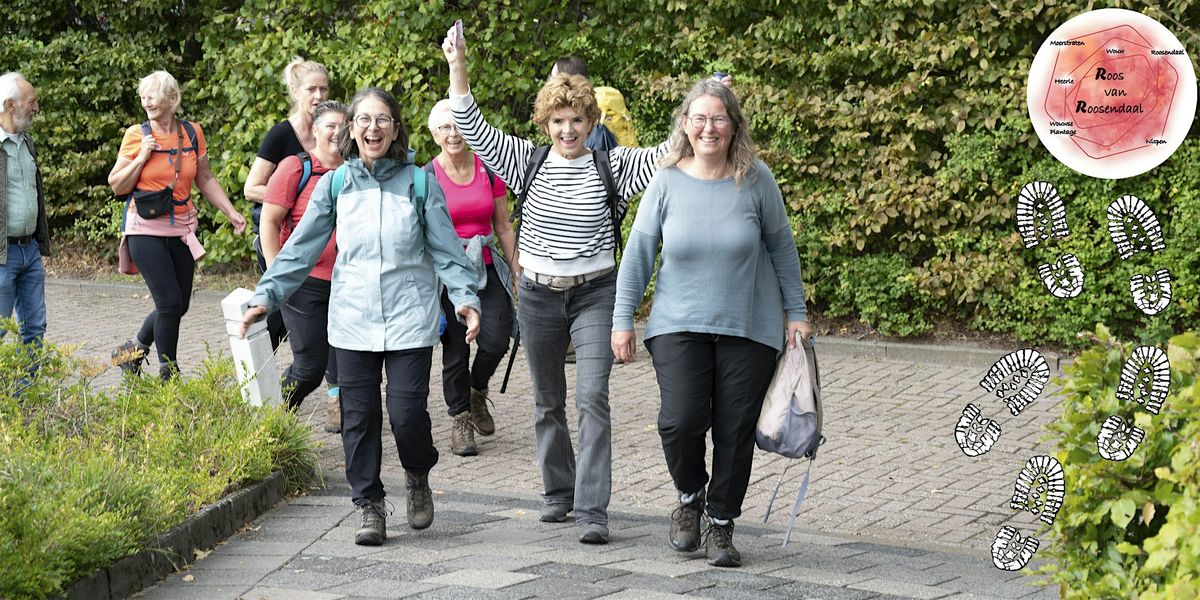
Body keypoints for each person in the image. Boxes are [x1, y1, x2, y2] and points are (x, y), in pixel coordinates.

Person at [442, 27, 670, 545]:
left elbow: (668, 152)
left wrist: (707, 103)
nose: (568, 130)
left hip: (595, 294)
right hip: (539, 295)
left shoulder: (614, 165)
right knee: (547, 400)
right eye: (559, 121)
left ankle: (592, 509)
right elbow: (471, 124)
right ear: (546, 124)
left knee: (592, 398)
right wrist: (458, 66)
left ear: (592, 123)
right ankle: (557, 492)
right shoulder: (527, 160)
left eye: (577, 120)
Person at [239, 87, 481, 547]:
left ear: (395, 129)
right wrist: (267, 295)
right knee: (359, 418)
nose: (373, 127)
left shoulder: (419, 183)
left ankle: (417, 474)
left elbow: (448, 251)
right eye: (364, 119)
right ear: (352, 129)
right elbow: (300, 248)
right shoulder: (336, 184)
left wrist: (465, 297)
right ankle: (369, 504)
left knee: (407, 415)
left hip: (409, 319)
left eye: (382, 119)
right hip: (351, 320)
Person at [610, 79, 812, 568]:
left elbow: (782, 248)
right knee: (679, 421)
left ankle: (721, 523)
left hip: (749, 327)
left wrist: (797, 314)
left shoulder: (756, 179)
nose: (709, 128)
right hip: (677, 323)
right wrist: (622, 319)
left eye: (719, 118)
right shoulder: (665, 181)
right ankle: (689, 497)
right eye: (699, 118)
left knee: (734, 429)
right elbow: (638, 254)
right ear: (684, 124)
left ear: (733, 125)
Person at [108, 70, 248, 380]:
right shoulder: (136, 135)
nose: (146, 102)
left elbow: (205, 177)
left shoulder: (192, 133)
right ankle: (168, 375)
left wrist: (230, 211)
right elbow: (116, 184)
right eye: (143, 97)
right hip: (145, 228)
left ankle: (131, 353)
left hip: (182, 229)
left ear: (172, 99)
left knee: (179, 304)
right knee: (169, 303)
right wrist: (141, 157)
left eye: (153, 96)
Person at [424, 99, 516, 457]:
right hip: (446, 273)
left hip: (486, 265)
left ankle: (477, 390)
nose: (453, 133)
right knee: (456, 349)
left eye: (458, 125)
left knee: (497, 339)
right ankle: (460, 418)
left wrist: (518, 272)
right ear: (435, 135)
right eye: (445, 128)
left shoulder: (488, 170)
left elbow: (503, 226)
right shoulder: (427, 176)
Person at [261, 100, 347, 432]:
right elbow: (269, 222)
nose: (338, 132)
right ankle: (271, 420)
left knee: (349, 358)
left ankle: (345, 413)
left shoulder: (357, 170)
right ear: (315, 130)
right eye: (330, 126)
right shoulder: (296, 168)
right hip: (304, 282)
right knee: (310, 366)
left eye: (344, 126)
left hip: (348, 282)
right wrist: (276, 275)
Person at [245, 58, 331, 350]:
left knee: (298, 316)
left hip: (320, 243)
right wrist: (293, 198)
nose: (318, 96)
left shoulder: (332, 132)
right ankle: (254, 366)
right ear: (295, 92)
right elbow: (251, 187)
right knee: (281, 313)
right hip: (281, 238)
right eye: (311, 89)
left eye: (323, 89)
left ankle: (300, 370)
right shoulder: (281, 135)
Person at [0, 72, 50, 351]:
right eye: (31, 102)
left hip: (29, 251)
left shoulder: (27, 143)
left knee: (34, 329)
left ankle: (27, 382)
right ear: (10, 105)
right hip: (2, 254)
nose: (36, 108)